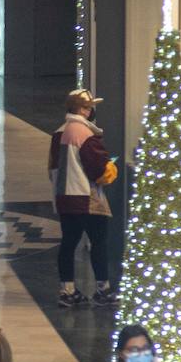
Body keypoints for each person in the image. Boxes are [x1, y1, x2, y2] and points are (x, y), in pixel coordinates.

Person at [50, 88, 117, 307]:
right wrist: (110, 170)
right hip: (86, 198)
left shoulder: (60, 131)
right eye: (88, 107)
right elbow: (98, 169)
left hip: (65, 197)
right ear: (80, 109)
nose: (91, 111)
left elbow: (52, 167)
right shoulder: (84, 134)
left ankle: (67, 290)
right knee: (99, 243)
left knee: (68, 244)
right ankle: (103, 290)